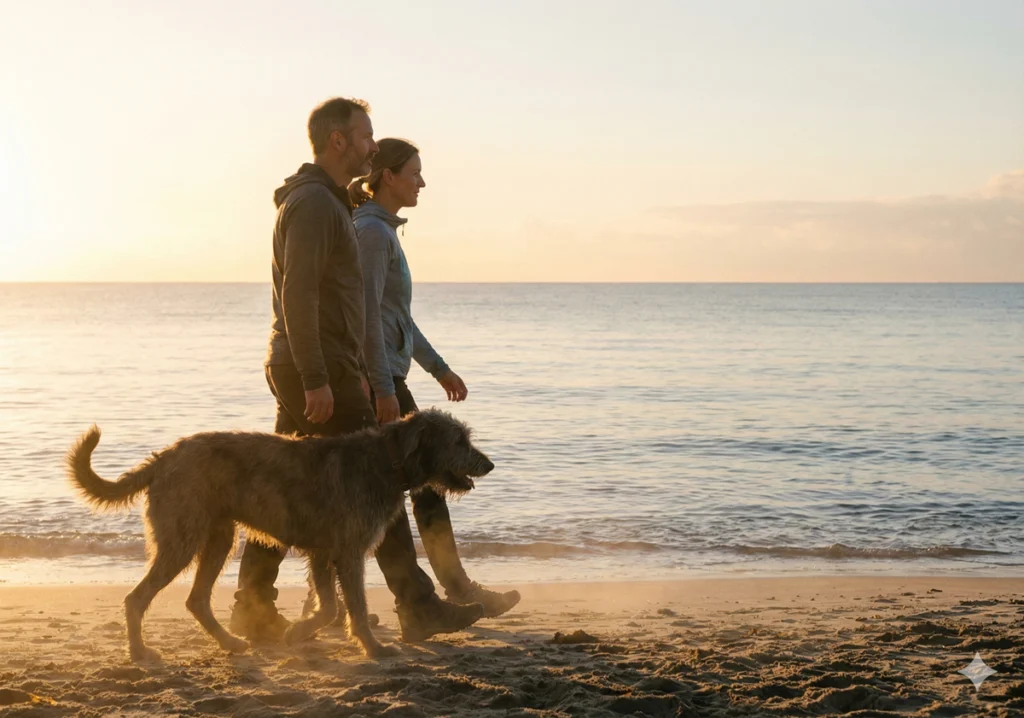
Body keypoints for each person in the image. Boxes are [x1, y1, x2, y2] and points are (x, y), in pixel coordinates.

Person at [230, 98, 485, 644]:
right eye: (367, 136)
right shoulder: (318, 207)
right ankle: (416, 606)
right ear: (338, 141)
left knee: (286, 487)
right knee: (380, 481)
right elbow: (299, 296)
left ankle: (254, 608)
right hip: (316, 368)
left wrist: (362, 371)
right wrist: (324, 377)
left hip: (320, 365)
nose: (374, 146)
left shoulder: (328, 203)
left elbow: (353, 307)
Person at [349, 138, 521, 617]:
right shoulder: (371, 233)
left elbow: (397, 317)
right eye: (414, 173)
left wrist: (438, 367)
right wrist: (383, 387)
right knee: (409, 492)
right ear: (388, 176)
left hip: (387, 374)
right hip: (374, 379)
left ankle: (450, 592)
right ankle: (438, 599)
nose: (422, 182)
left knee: (424, 488)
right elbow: (364, 320)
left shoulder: (384, 231)